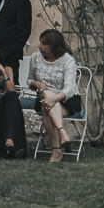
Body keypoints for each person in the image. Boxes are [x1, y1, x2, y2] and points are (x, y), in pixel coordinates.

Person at [27, 28, 82, 164]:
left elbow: (69, 88)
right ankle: (62, 134)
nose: (40, 46)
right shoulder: (35, 58)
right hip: (44, 98)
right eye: (40, 43)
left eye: (45, 44)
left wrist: (55, 98)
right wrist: (36, 83)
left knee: (46, 104)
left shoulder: (68, 61)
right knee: (46, 95)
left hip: (67, 100)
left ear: (55, 47)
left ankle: (56, 150)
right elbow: (29, 80)